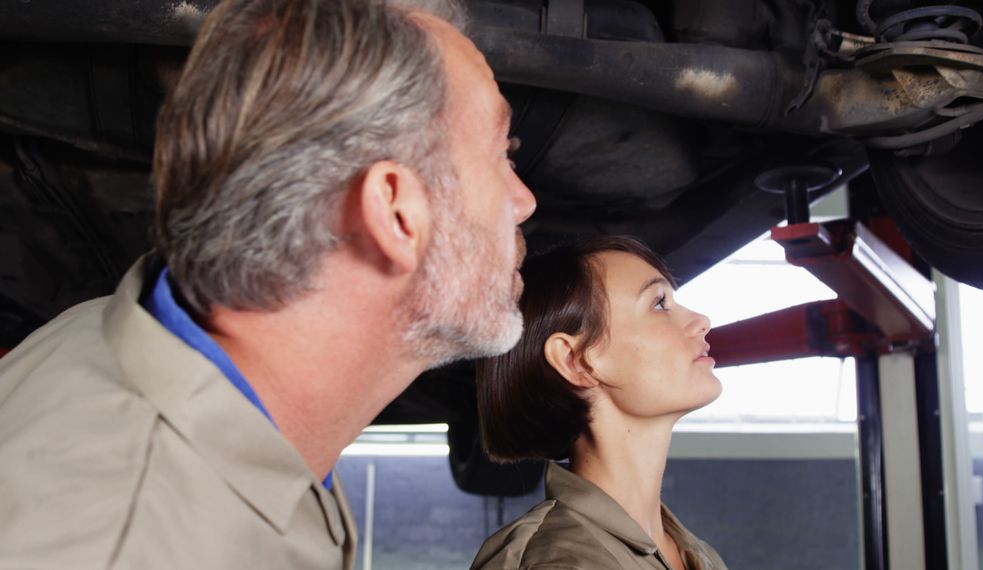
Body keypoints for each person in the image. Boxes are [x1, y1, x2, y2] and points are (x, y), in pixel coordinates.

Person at [0, 0, 535, 567]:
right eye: (501, 154)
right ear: (395, 214)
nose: (524, 201)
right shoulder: (126, 546)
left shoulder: (106, 330)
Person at [471, 236, 728, 570]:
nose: (701, 320)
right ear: (575, 361)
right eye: (659, 303)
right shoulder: (560, 562)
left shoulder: (697, 555)